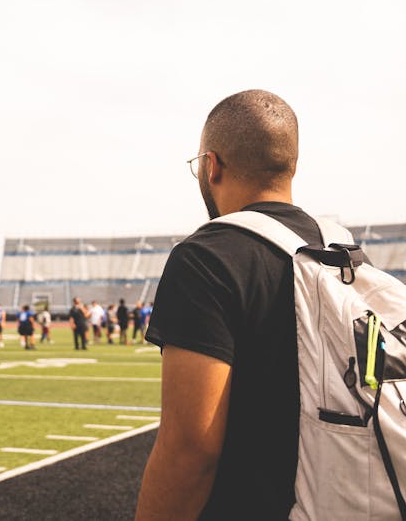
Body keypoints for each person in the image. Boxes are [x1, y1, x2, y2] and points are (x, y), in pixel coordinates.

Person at [136, 90, 340, 518]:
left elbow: (190, 450)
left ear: (212, 166)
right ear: (291, 165)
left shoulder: (206, 257)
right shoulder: (341, 249)